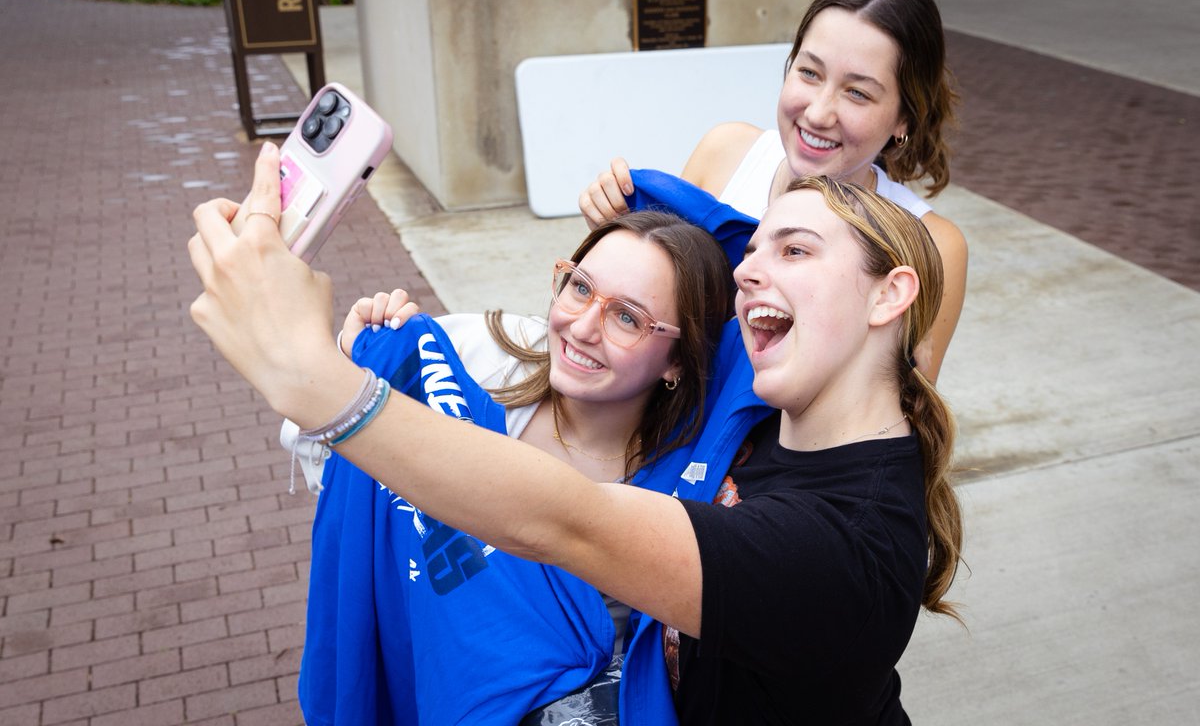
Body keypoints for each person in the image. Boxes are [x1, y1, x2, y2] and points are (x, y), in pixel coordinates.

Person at [189, 145, 963, 723]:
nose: (753, 274)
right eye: (751, 259)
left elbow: (568, 521)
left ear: (890, 293)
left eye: (793, 250)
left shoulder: (840, 548)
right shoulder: (761, 423)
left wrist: (315, 381)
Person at [285, 207, 739, 724]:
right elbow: (322, 448)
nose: (584, 327)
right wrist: (353, 365)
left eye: (628, 318)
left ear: (678, 361)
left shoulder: (672, 499)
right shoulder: (475, 361)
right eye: (581, 288)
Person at [579, 0, 968, 382]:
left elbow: (907, 416)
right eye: (809, 73)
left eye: (857, 92)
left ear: (904, 117)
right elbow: (655, 311)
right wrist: (616, 237)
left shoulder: (932, 245)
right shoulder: (725, 153)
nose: (818, 113)